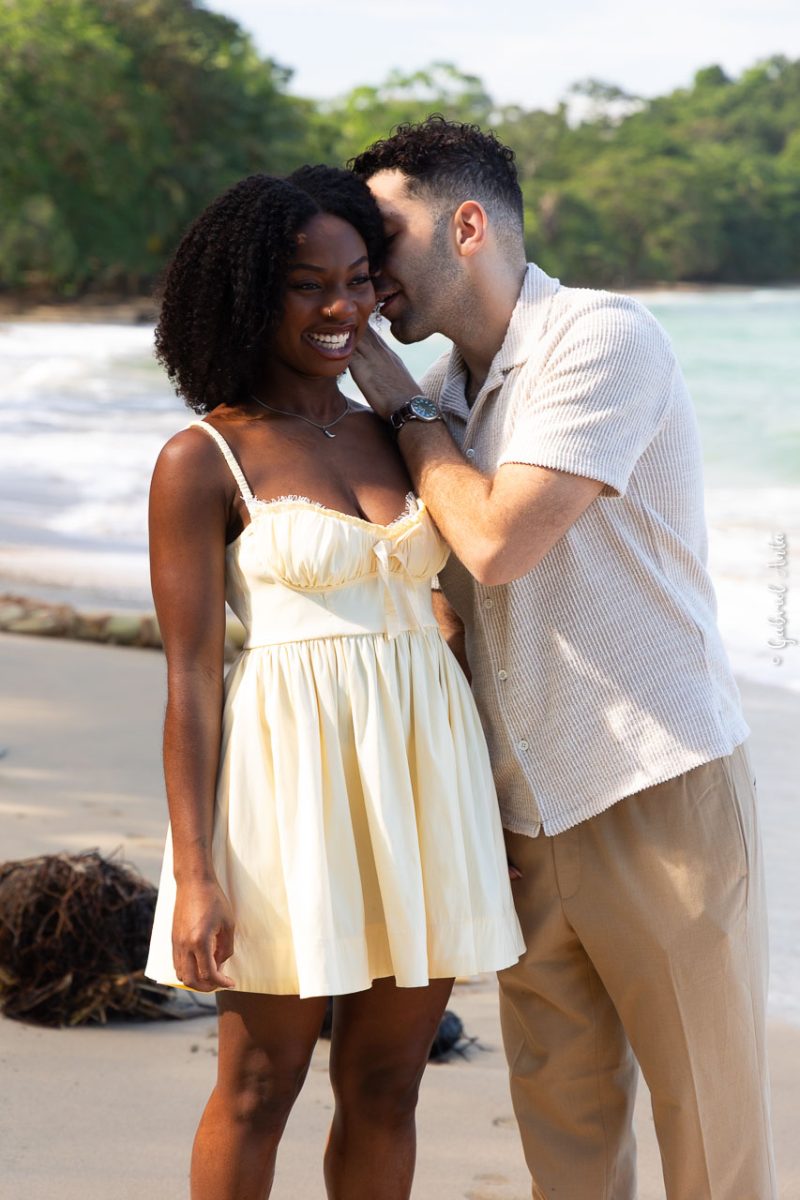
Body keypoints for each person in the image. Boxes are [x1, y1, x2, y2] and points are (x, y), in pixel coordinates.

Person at [346, 117, 777, 1200]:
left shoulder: (599, 339)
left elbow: (495, 542)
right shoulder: (440, 401)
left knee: (708, 1147)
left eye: (382, 234)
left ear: (468, 225)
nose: (368, 270)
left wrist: (398, 408)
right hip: (517, 814)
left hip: (651, 783)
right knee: (564, 1145)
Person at [144, 164, 524, 1200]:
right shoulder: (202, 456)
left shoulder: (400, 433)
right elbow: (189, 678)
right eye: (306, 283)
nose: (339, 307)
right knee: (259, 1084)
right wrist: (194, 873)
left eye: (357, 280)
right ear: (245, 293)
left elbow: (455, 605)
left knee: (386, 1082)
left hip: (420, 784)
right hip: (286, 797)